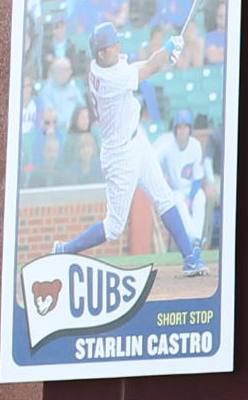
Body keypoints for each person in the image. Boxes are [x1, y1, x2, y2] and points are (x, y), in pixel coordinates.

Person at [51, 18, 206, 277]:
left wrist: (165, 55)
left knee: (164, 197)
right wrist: (168, 49)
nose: (119, 44)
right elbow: (147, 70)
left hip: (137, 140)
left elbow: (145, 64)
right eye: (113, 44)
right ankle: (65, 249)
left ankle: (190, 257)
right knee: (114, 227)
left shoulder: (99, 63)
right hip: (120, 153)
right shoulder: (109, 76)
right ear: (102, 52)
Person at [157, 110, 219, 264]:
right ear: (175, 129)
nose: (182, 131)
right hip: (176, 190)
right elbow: (154, 163)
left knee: (200, 197)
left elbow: (198, 177)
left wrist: (191, 197)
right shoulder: (167, 148)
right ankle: (195, 240)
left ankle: (196, 240)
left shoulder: (195, 145)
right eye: (179, 127)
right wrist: (162, 177)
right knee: (178, 201)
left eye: (185, 127)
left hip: (192, 189)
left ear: (190, 129)